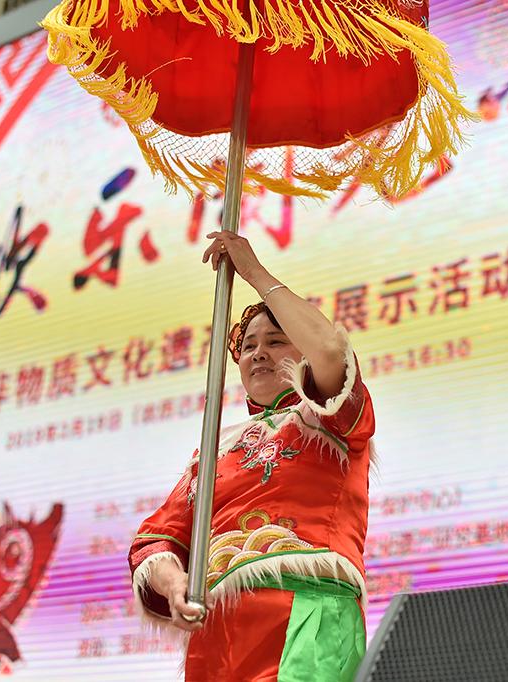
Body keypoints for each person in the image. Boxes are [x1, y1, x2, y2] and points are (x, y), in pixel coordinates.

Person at [127, 230, 377, 681]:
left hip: (305, 610)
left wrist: (253, 271)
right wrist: (176, 583)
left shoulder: (331, 418)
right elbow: (157, 540)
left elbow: (330, 350)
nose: (258, 353)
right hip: (216, 633)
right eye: (248, 346)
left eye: (276, 341)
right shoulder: (215, 450)